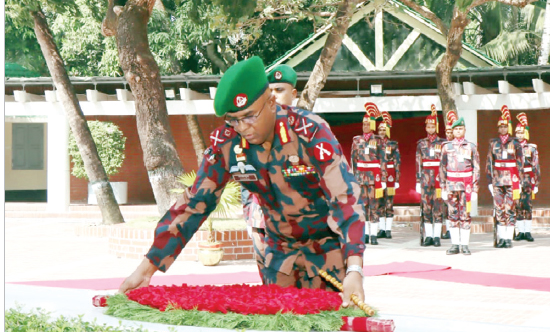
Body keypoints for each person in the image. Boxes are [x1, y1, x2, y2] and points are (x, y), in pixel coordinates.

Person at [119, 57, 366, 305]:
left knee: (333, 325)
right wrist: (147, 267)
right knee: (280, 326)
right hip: (278, 255)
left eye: (249, 116)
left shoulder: (309, 132)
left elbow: (344, 197)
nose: (242, 127)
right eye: (233, 119)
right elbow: (195, 204)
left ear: (270, 102)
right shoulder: (226, 144)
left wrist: (355, 269)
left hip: (326, 252)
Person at [240, 64, 301, 259]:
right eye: (270, 91)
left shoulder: (309, 130)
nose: (274, 96)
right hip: (262, 221)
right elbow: (245, 176)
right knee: (268, 281)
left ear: (294, 93)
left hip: (301, 223)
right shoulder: (254, 132)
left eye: (280, 90)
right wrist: (250, 217)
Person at [440, 115, 479, 255]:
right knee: (452, 215)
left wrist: (475, 188)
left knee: (465, 215)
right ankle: (455, 244)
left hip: (466, 187)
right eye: (455, 129)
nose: (457, 131)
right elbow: (442, 168)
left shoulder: (471, 147)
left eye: (460, 128)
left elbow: (476, 168)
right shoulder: (446, 147)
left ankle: (465, 244)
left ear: (464, 130)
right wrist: (443, 187)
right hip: (451, 186)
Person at [486, 105, 524, 248]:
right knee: (499, 209)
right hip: (497, 180)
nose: (502, 129)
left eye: (505, 126)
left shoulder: (515, 143)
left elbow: (520, 163)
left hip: (512, 180)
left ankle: (508, 238)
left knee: (510, 209)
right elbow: (489, 163)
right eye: (500, 126)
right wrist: (489, 181)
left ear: (508, 127)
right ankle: (501, 238)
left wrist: (519, 181)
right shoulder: (493, 143)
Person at [351, 102, 388, 245]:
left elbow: (383, 160)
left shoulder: (378, 140)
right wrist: (353, 177)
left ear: (372, 125)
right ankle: (365, 234)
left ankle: (373, 234)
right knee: (362, 205)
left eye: (367, 124)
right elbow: (353, 160)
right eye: (363, 124)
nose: (365, 126)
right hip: (360, 177)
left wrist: (383, 178)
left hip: (374, 178)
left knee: (374, 205)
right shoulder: (357, 140)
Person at [415, 104, 445, 247]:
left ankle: (437, 236)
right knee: (426, 208)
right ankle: (429, 237)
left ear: (436, 127)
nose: (431, 129)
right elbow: (418, 162)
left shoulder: (443, 143)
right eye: (428, 127)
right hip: (426, 179)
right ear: (426, 128)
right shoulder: (421, 143)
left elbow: (445, 163)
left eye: (433, 127)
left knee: (438, 207)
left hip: (439, 179)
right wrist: (417, 179)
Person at [514, 112, 539, 242]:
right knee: (518, 205)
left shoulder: (532, 148)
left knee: (528, 205)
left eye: (521, 132)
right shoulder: (512, 147)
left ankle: (528, 231)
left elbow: (536, 166)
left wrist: (536, 183)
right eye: (517, 132)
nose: (519, 135)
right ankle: (520, 231)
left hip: (528, 180)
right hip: (516, 179)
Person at [376, 111, 400, 239]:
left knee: (389, 203)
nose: (381, 131)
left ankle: (389, 229)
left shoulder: (393, 144)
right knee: (379, 203)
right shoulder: (374, 144)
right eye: (379, 129)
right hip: (378, 176)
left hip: (390, 176)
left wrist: (397, 178)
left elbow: (397, 162)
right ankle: (382, 229)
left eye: (383, 129)